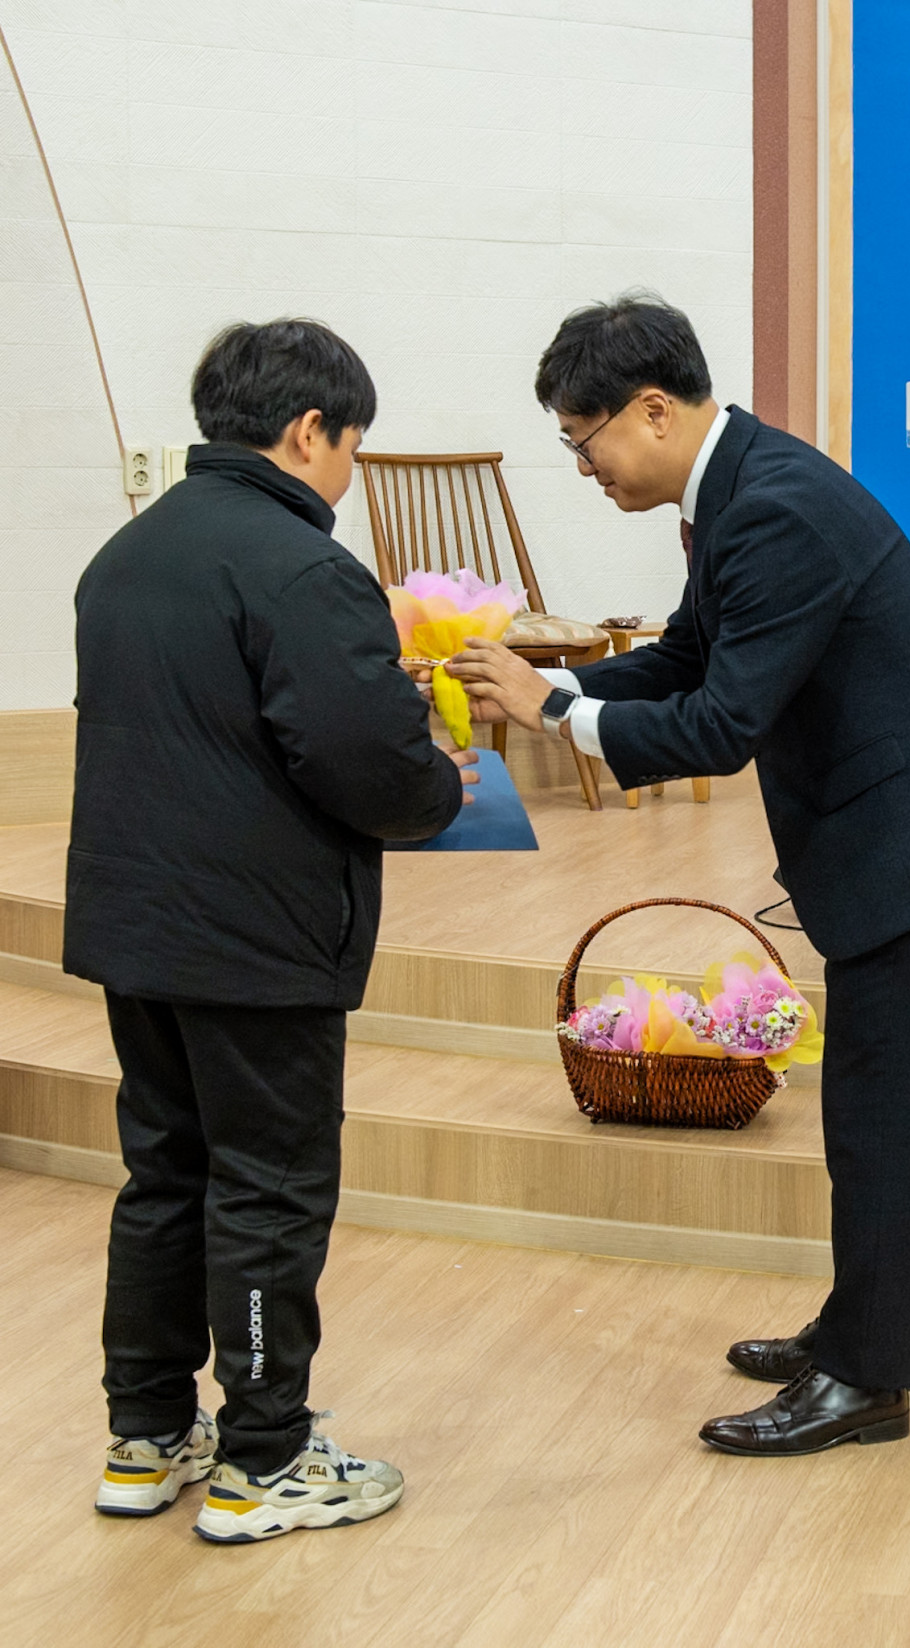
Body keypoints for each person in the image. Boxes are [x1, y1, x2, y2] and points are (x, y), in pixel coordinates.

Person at [448, 294, 910, 1457]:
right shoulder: (737, 485)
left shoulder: (771, 508)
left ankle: (867, 1380)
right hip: (890, 834)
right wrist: (556, 681)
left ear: (651, 411)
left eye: (583, 442)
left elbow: (718, 726)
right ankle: (857, 1328)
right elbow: (689, 654)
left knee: (881, 1119)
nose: (584, 470)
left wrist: (552, 711)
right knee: (867, 1112)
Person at [66, 318, 476, 1540]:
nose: (348, 470)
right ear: (308, 431)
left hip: (137, 928)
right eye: (351, 445)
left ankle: (144, 1436)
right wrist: (441, 783)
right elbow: (366, 767)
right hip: (255, 939)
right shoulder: (301, 567)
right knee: (268, 1188)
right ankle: (265, 1458)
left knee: (164, 1174)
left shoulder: (125, 553)